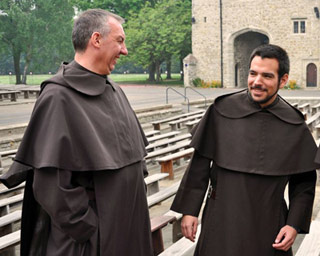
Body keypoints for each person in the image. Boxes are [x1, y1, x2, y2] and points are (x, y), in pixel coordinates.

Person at [0, 9, 153, 256]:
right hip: (91, 243)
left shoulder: (115, 91)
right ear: (96, 39)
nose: (125, 51)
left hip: (130, 230)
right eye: (120, 41)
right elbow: (52, 186)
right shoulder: (58, 97)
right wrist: (91, 229)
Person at [171, 44, 318, 256]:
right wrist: (189, 211)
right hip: (221, 220)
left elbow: (303, 183)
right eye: (253, 73)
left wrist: (293, 224)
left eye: (267, 76)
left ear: (283, 80)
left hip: (269, 226)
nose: (257, 82)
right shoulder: (222, 109)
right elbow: (199, 165)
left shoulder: (294, 123)